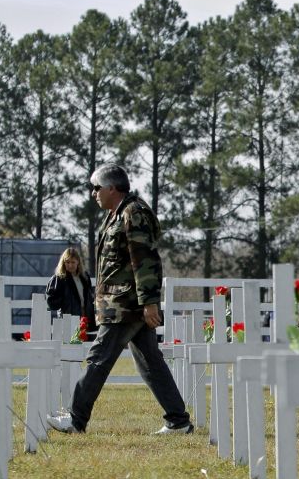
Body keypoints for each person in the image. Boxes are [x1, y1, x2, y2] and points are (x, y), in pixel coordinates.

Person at [47, 163, 192, 435]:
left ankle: (76, 419)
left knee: (99, 357)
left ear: (112, 188)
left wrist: (149, 302)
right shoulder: (117, 214)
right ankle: (178, 421)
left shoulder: (133, 213)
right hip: (121, 303)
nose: (94, 193)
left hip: (127, 305)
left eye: (97, 188)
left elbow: (145, 260)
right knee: (150, 362)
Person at [44, 247, 96, 325]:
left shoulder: (85, 277)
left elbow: (90, 298)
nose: (70, 265)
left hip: (85, 316)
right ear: (63, 263)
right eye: (67, 262)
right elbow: (51, 302)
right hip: (67, 317)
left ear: (78, 262)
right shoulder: (59, 278)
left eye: (73, 262)